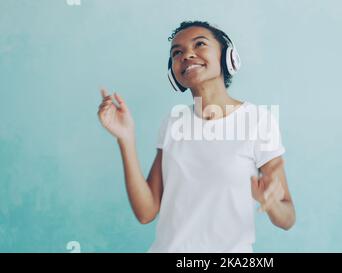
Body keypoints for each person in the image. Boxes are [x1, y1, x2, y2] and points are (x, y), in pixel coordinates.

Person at [97, 21, 295, 252]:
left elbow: (287, 217)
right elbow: (146, 212)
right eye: (177, 52)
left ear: (228, 56)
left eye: (199, 44)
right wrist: (125, 138)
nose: (187, 54)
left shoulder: (258, 121)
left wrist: (270, 204)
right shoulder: (173, 122)